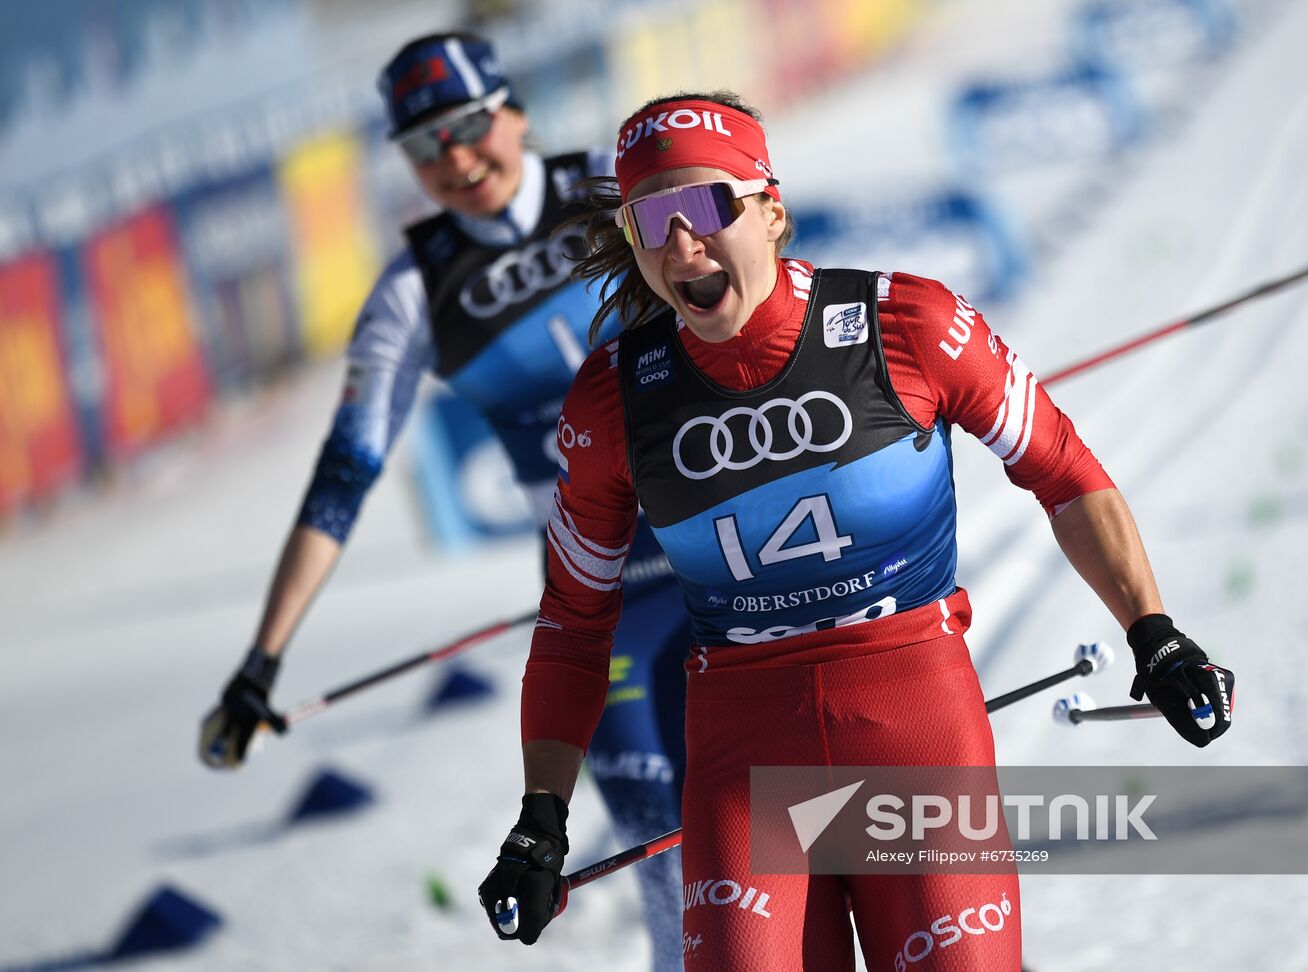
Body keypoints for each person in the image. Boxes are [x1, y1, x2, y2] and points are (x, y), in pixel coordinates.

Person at [476, 90, 1236, 970]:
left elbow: (1064, 475)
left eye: (704, 205)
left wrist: (1156, 634)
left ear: (770, 209)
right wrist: (541, 819)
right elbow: (574, 622)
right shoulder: (614, 398)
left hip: (914, 727)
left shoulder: (907, 323)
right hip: (743, 760)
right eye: (651, 218)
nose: (681, 243)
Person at [196, 33, 689, 972]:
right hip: (602, 601)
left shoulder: (616, 186)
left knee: (815, 811)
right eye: (424, 149)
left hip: (731, 553)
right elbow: (344, 475)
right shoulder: (413, 292)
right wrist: (262, 661)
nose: (457, 162)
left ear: (515, 111)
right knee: (669, 857)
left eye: (469, 128)